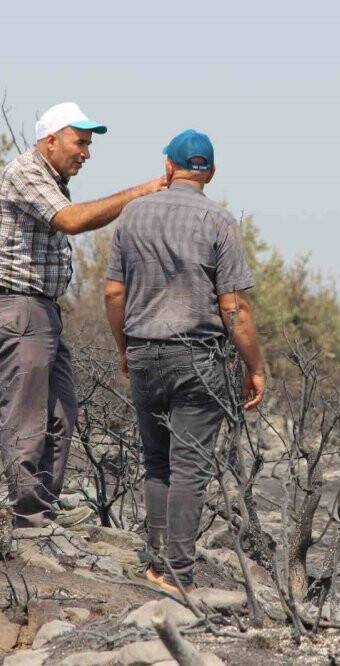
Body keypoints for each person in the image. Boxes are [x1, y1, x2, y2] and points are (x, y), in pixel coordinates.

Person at [0, 102, 164, 529]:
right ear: (50, 140)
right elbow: (73, 222)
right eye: (81, 142)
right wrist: (144, 191)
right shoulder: (26, 173)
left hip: (40, 310)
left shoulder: (50, 179)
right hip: (18, 307)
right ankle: (28, 518)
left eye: (88, 144)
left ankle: (41, 506)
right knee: (29, 415)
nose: (86, 153)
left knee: (61, 414)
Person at [103, 129, 265, 592]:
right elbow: (234, 308)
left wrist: (124, 349)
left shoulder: (132, 215)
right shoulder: (221, 222)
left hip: (144, 351)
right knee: (190, 466)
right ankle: (178, 575)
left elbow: (114, 293)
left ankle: (156, 565)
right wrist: (255, 367)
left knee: (157, 460)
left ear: (168, 167)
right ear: (210, 172)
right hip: (199, 357)